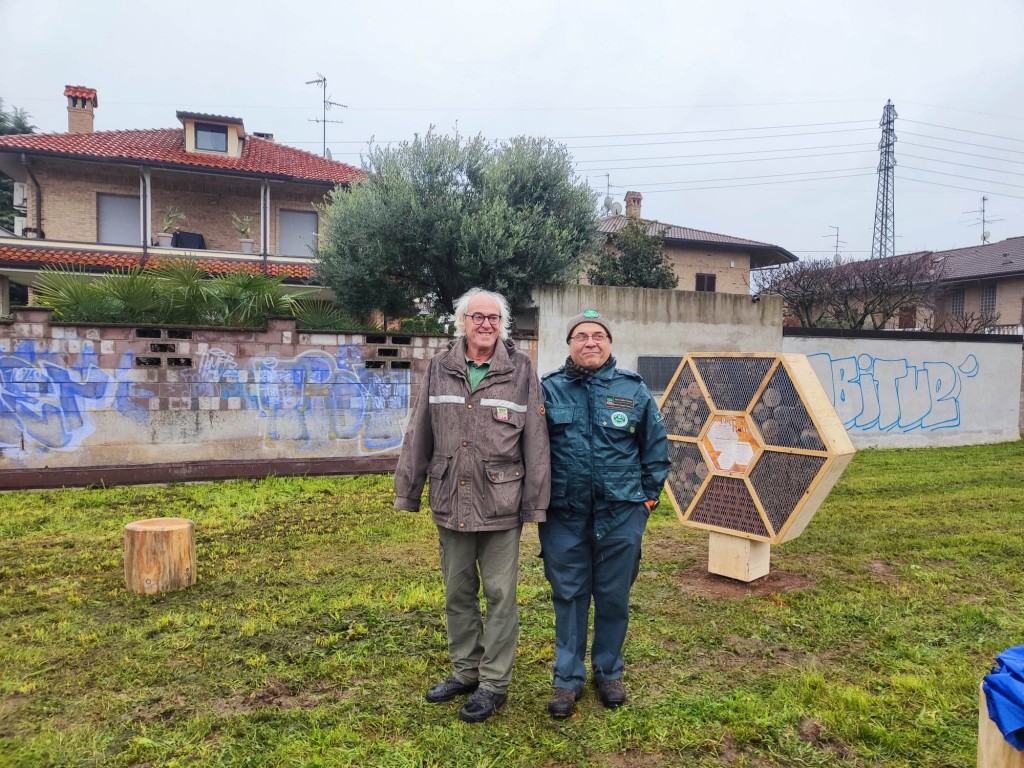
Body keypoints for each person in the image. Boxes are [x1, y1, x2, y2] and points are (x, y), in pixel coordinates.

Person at [394, 287, 550, 724]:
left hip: (502, 502)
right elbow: (418, 431)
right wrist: (408, 490)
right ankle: (466, 671)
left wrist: (536, 505)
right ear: (462, 321)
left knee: (501, 595)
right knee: (458, 593)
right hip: (450, 499)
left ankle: (494, 684)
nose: (486, 324)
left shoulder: (521, 370)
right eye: (477, 317)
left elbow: (536, 442)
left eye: (493, 318)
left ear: (503, 324)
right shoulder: (439, 368)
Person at [539, 308, 670, 719]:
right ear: (570, 345)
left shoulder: (633, 390)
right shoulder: (548, 391)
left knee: (613, 596)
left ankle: (608, 672)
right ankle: (567, 680)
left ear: (609, 344)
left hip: (621, 514)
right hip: (564, 515)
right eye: (581, 336)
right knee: (570, 596)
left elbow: (656, 449)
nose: (590, 342)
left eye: (598, 335)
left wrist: (646, 503)